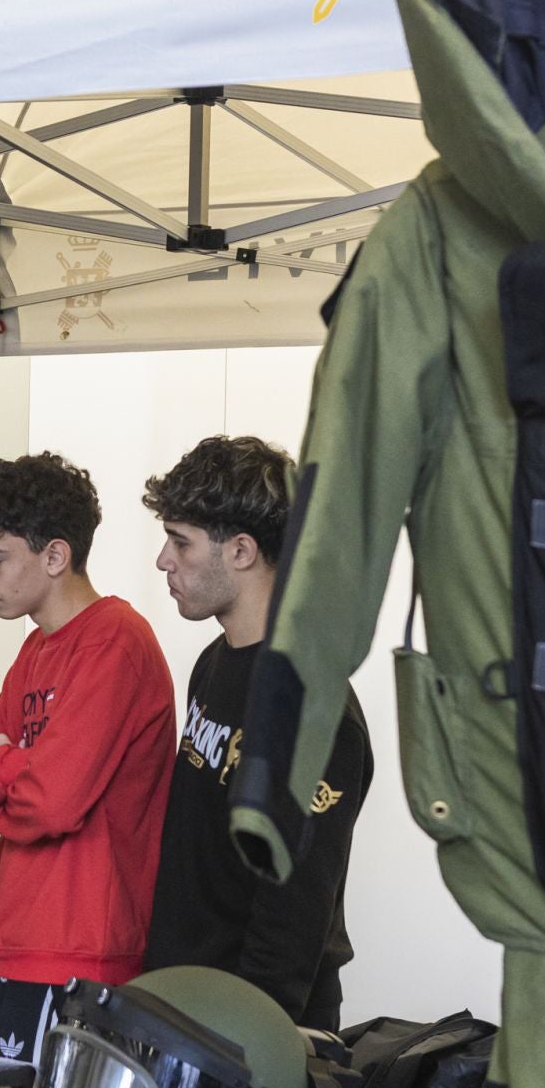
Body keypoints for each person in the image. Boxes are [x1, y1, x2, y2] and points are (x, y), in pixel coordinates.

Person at [0, 452, 175, 1064]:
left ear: (54, 556)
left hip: (83, 954)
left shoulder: (116, 642)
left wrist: (17, 769)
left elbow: (52, 804)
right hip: (24, 945)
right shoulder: (37, 651)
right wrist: (24, 764)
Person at [141, 435, 373, 1032]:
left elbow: (291, 917)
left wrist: (247, 1045)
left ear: (241, 551)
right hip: (181, 997)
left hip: (249, 1030)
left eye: (180, 542)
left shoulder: (310, 707)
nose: (164, 561)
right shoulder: (214, 662)